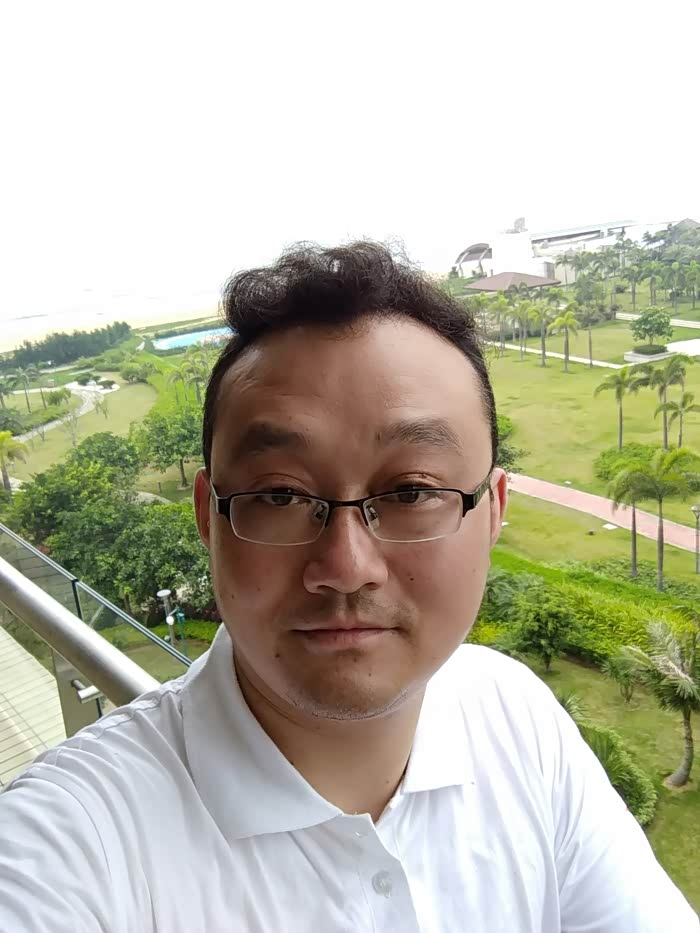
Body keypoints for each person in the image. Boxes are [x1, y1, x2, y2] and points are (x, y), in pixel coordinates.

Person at [0, 242, 697, 933]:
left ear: (494, 511)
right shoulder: (71, 846)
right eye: (279, 494)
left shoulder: (515, 717)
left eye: (411, 490)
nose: (346, 564)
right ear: (209, 518)